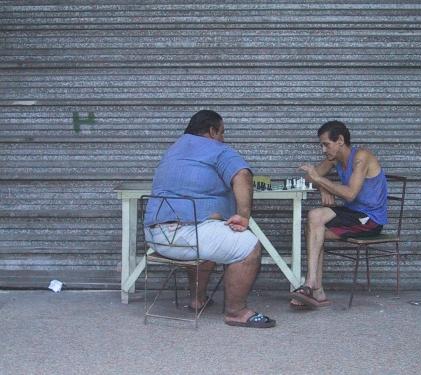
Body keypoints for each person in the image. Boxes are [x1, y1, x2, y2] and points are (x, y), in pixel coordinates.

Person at [144, 109, 275, 328]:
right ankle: (236, 312)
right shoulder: (217, 149)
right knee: (248, 245)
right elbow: (242, 175)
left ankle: (198, 299)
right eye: (222, 132)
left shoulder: (173, 149)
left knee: (211, 235)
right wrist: (243, 216)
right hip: (186, 234)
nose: (223, 138)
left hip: (157, 237)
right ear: (212, 131)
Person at [290, 120, 388, 310]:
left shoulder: (362, 157)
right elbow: (310, 176)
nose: (323, 150)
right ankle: (314, 289)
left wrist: (322, 181)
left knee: (314, 229)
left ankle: (312, 287)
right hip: (353, 214)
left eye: (326, 144)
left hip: (370, 219)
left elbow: (350, 193)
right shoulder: (334, 158)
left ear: (340, 140)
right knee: (314, 219)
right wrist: (322, 187)